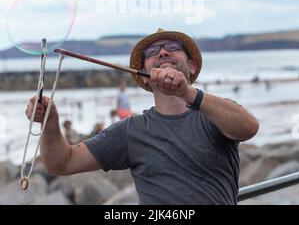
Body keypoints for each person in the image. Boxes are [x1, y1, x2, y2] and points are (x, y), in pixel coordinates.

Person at [25, 28, 259, 205]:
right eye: (152, 52)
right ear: (145, 77)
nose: (163, 52)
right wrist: (50, 122)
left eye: (173, 47)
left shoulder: (213, 113)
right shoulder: (130, 131)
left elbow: (248, 127)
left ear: (192, 66)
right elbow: (61, 162)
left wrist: (187, 92)